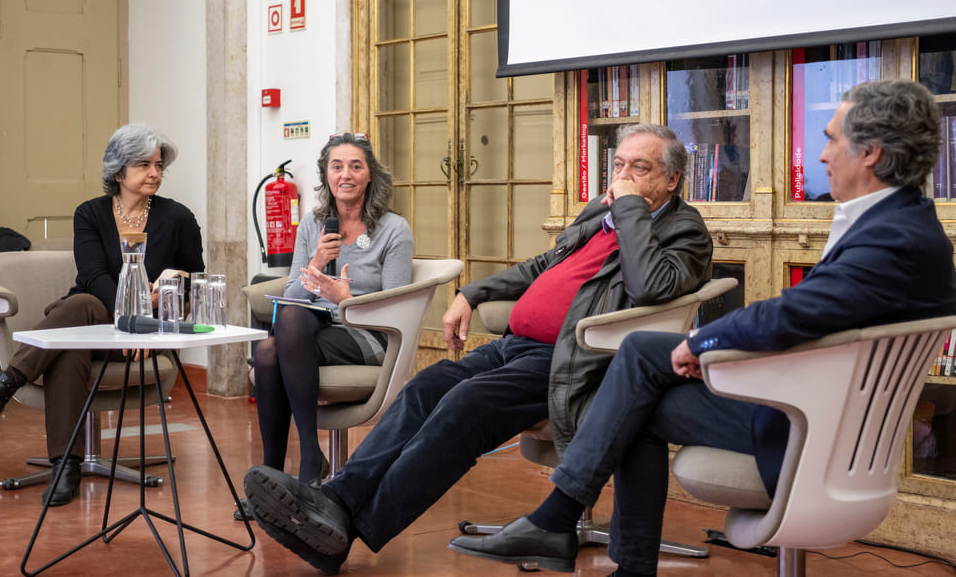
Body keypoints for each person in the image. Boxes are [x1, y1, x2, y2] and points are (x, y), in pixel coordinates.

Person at [447, 79, 956, 576]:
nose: (821, 156)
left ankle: (559, 522)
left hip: (814, 426)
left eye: (830, 139)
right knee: (639, 375)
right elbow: (809, 315)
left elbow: (792, 315)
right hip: (820, 402)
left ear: (870, 152)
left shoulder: (890, 239)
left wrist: (702, 340)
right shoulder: (905, 222)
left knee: (637, 387)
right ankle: (607, 551)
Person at [241, 123, 715, 574]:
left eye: (641, 168)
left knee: (465, 405)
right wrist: (474, 292)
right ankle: (336, 501)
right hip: (517, 345)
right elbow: (543, 265)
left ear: (672, 179)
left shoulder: (684, 231)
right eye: (619, 166)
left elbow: (651, 285)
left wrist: (629, 210)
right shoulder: (599, 214)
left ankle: (352, 528)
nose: (624, 177)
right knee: (426, 388)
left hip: (576, 358)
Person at [0, 124, 204, 507]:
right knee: (80, 316)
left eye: (158, 165)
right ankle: (65, 466)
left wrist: (168, 291)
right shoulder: (90, 213)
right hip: (95, 318)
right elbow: (91, 275)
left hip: (144, 335)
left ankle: (8, 388)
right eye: (143, 165)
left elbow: (195, 278)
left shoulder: (178, 218)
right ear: (118, 171)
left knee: (74, 322)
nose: (154, 173)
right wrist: (127, 309)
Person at [237, 132, 414, 521]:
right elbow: (295, 291)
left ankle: (307, 461)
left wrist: (346, 300)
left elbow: (398, 309)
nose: (345, 175)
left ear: (370, 176)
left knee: (277, 340)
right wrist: (316, 261)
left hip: (370, 335)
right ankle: (275, 476)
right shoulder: (313, 225)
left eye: (355, 166)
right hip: (313, 331)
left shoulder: (393, 229)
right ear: (326, 175)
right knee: (277, 338)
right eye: (337, 167)